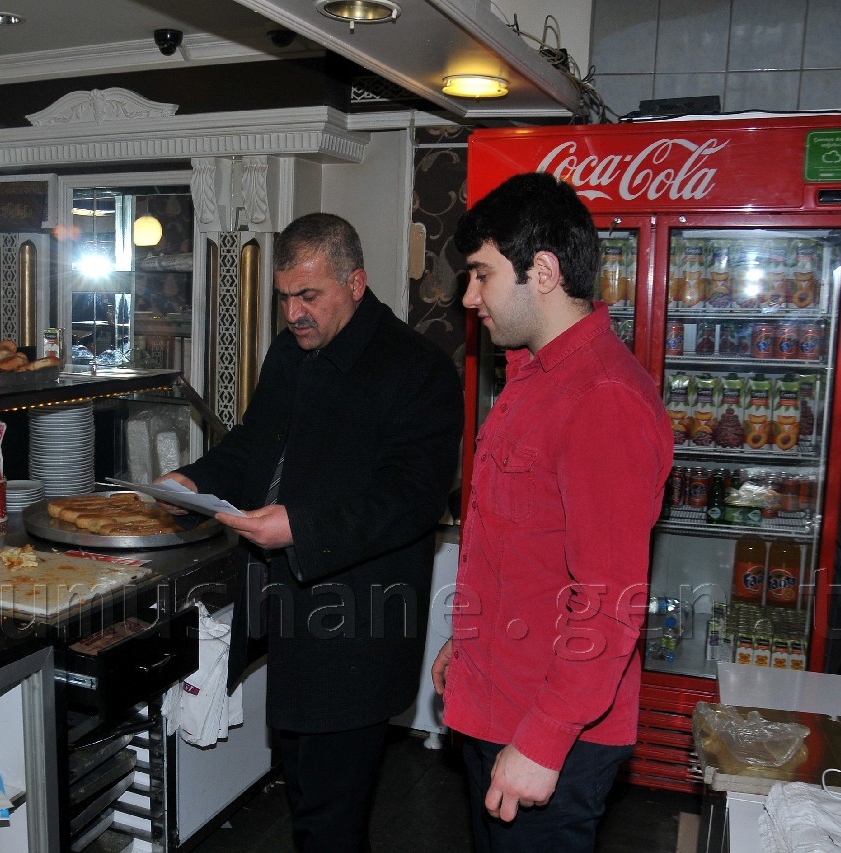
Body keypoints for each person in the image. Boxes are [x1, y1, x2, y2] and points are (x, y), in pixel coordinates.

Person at [159, 212, 462, 853]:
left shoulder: (418, 368)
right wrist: (192, 478)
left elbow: (412, 497)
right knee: (303, 792)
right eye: (285, 297)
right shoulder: (291, 353)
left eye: (309, 296)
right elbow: (254, 447)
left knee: (330, 820)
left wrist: (301, 526)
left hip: (360, 624)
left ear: (355, 282)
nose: (294, 313)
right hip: (286, 611)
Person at [430, 172, 672, 852]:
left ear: (541, 270)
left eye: (480, 275)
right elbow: (526, 548)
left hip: (548, 731)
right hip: (499, 699)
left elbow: (609, 598)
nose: (469, 297)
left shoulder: (601, 399)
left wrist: (543, 739)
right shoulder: (531, 375)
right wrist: (472, 640)